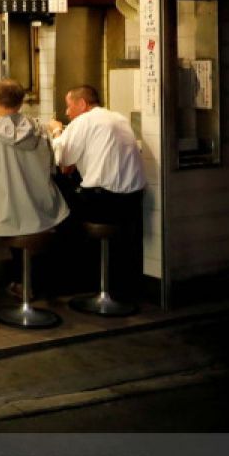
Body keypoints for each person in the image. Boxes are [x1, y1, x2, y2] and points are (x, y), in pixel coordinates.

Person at [0, 79, 69, 302]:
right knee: (24, 219)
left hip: (9, 215)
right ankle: (21, 282)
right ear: (21, 102)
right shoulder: (41, 131)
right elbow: (51, 169)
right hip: (44, 211)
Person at [46, 85, 146, 298]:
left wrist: (56, 130)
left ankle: (66, 283)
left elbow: (61, 159)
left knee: (56, 207)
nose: (66, 113)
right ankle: (101, 282)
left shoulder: (83, 121)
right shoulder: (118, 118)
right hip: (132, 202)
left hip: (102, 202)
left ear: (82, 104)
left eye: (68, 106)